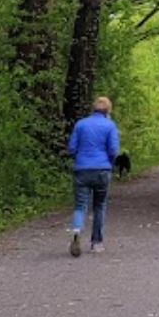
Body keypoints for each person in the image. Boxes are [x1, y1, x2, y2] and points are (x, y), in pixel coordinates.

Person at [67, 96, 121, 257]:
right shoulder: (110, 125)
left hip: (82, 170)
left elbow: (71, 148)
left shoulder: (80, 124)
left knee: (80, 206)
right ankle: (96, 243)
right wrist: (109, 164)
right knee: (99, 205)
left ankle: (76, 230)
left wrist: (79, 159)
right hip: (102, 170)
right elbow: (113, 150)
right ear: (108, 110)